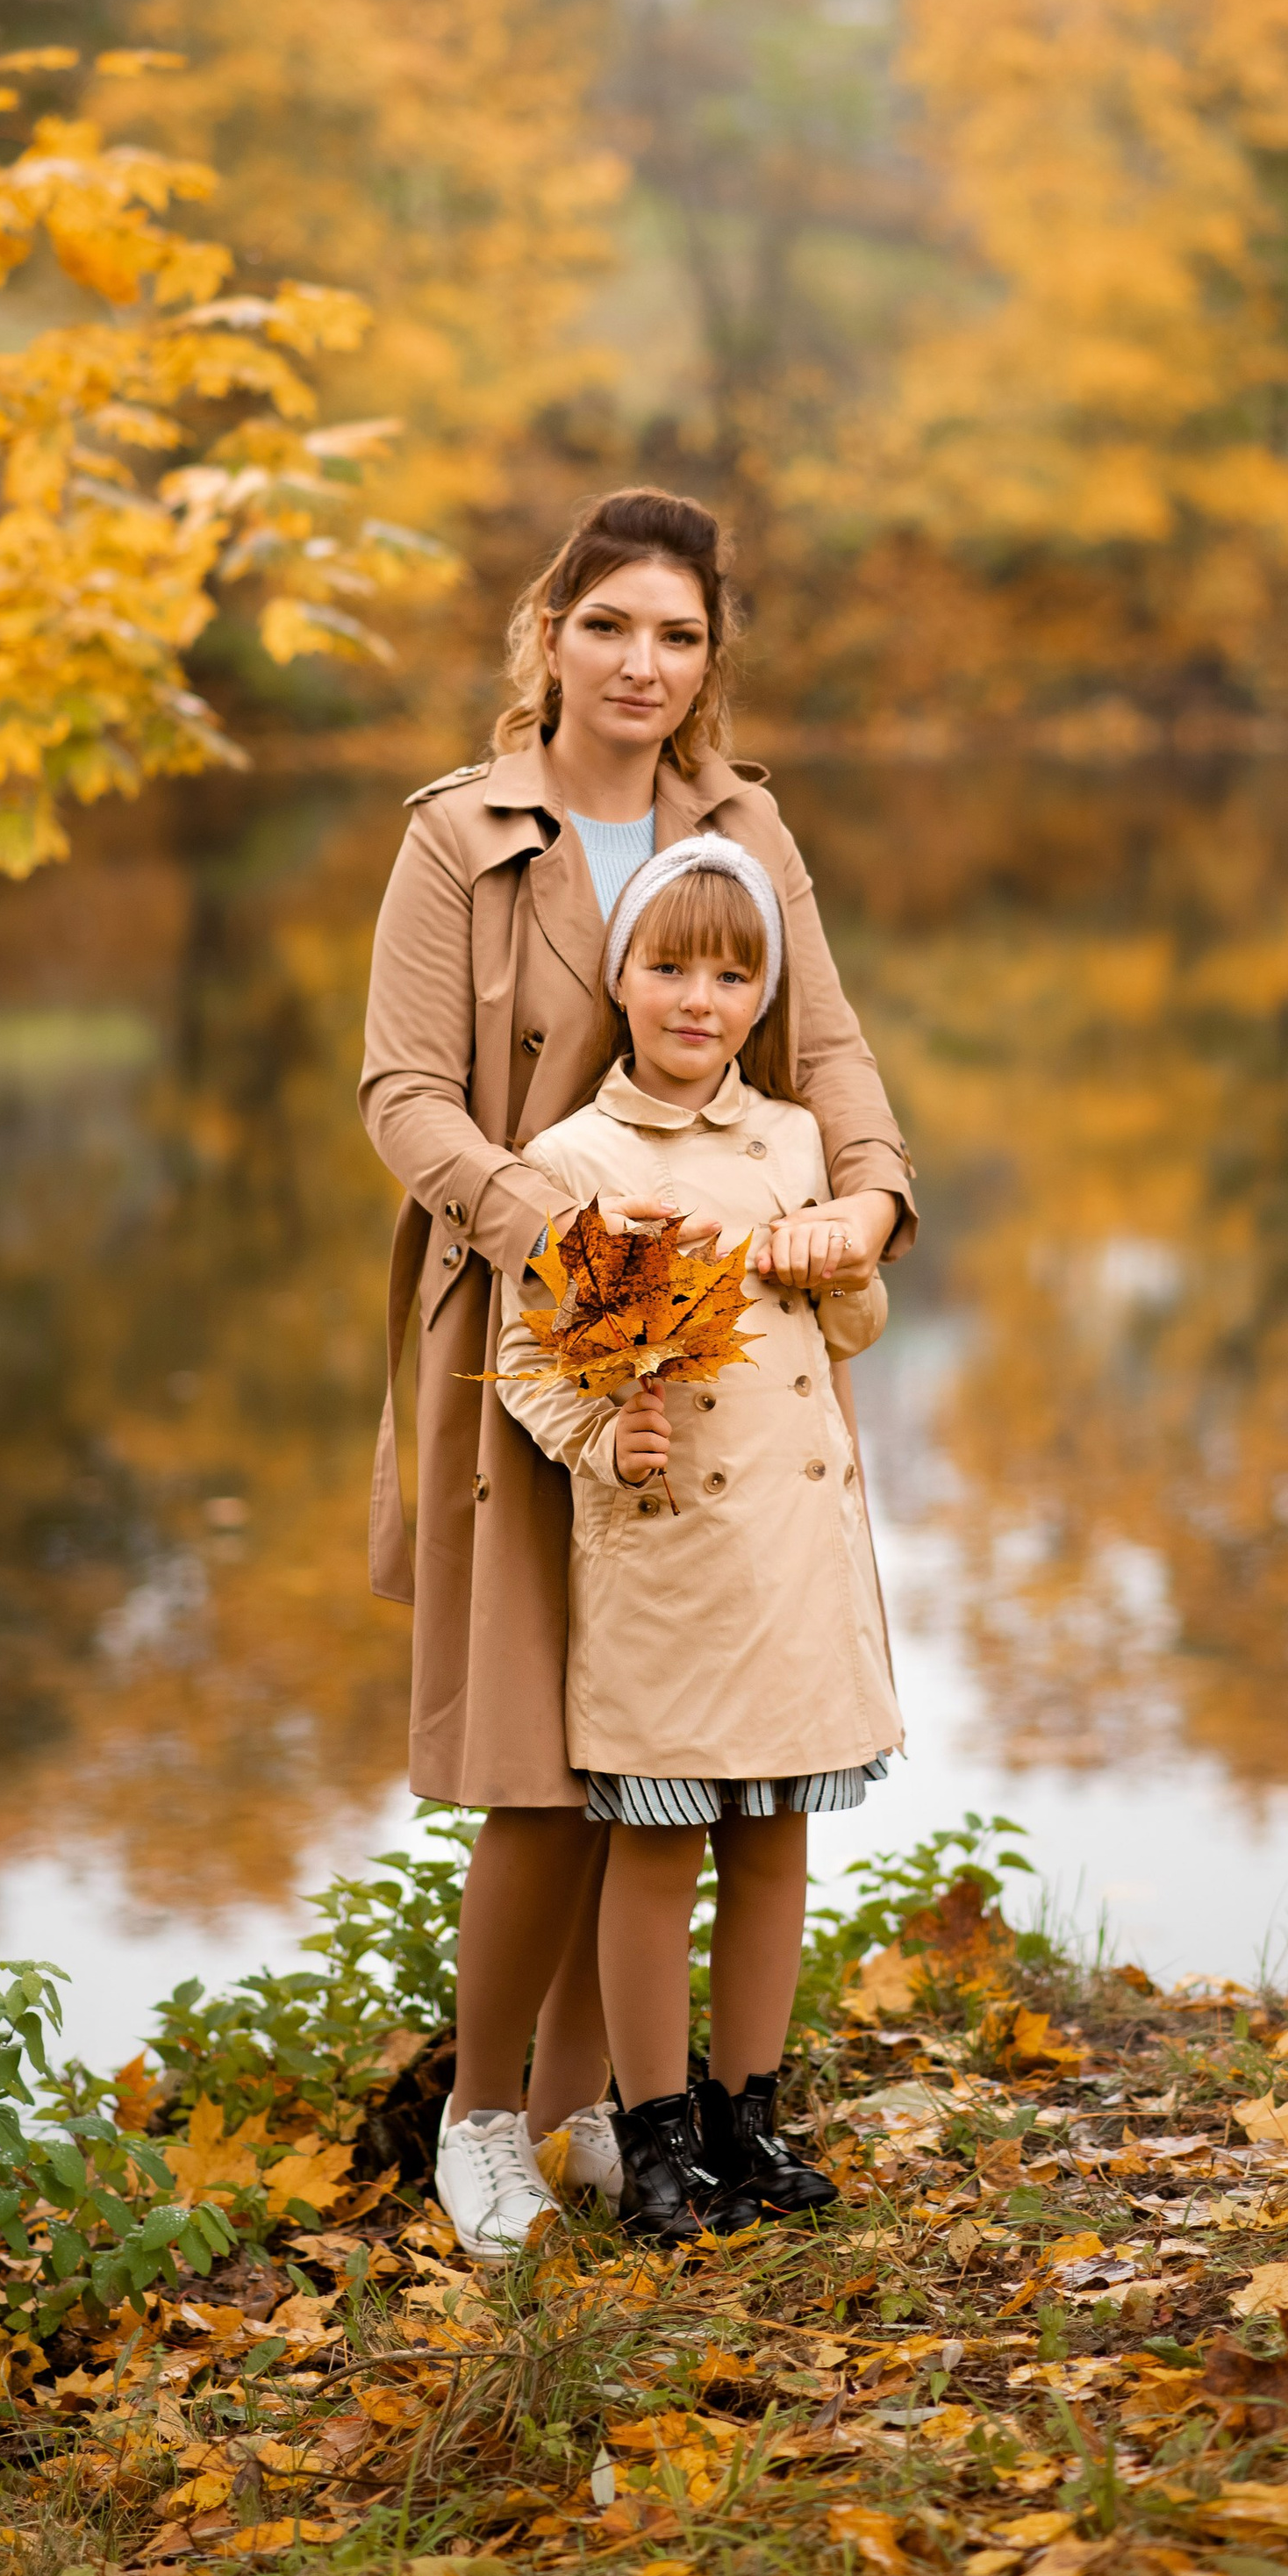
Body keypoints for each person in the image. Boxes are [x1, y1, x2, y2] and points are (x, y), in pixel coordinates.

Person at [358, 488, 914, 2259]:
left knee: (661, 1748)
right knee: (543, 1759)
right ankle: (482, 2122)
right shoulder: (459, 834)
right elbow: (399, 1097)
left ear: (708, 659)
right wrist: (556, 1237)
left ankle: (614, 2107)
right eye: (609, 626)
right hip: (533, 1323)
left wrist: (875, 1196)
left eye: (677, 635)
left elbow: (823, 1045)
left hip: (720, 1351)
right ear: (550, 630)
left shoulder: (741, 826)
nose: (641, 664)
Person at [492, 834, 904, 2238]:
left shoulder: (795, 1141)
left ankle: (751, 2118)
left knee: (777, 1835)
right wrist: (614, 1439)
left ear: (760, 998)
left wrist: (839, 1251)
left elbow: (851, 1328)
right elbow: (537, 1367)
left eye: (732, 976)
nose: (699, 1000)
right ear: (623, 979)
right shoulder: (576, 1161)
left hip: (794, 1563)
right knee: (661, 1851)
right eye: (670, 967)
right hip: (670, 1565)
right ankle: (652, 2133)